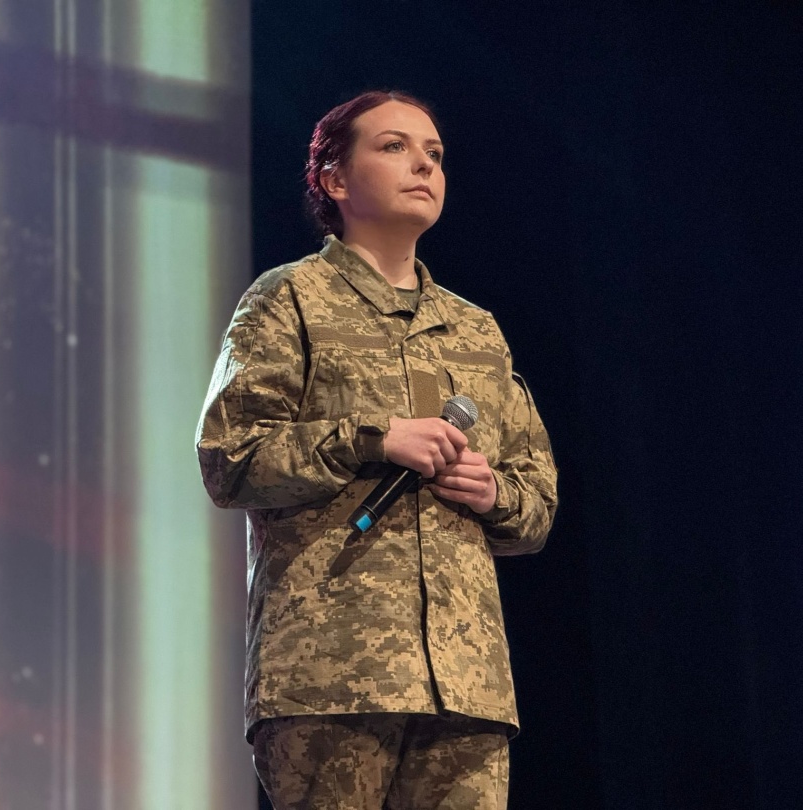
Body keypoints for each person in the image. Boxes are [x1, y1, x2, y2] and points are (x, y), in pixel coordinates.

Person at [196, 90, 557, 809]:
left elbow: (537, 501)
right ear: (333, 178)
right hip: (330, 676)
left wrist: (495, 493)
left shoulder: (476, 330)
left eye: (435, 154)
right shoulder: (288, 299)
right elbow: (230, 459)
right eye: (394, 146)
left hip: (466, 685)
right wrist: (372, 438)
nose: (423, 164)